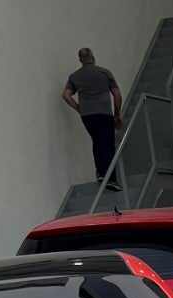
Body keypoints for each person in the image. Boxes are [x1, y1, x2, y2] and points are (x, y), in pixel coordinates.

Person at [64, 48, 123, 191]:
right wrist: (117, 115)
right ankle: (111, 179)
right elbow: (117, 95)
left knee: (97, 141)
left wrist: (79, 108)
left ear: (80, 60)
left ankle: (101, 172)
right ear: (93, 57)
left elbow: (66, 95)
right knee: (108, 144)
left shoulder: (74, 76)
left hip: (87, 116)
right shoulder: (104, 72)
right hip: (103, 113)